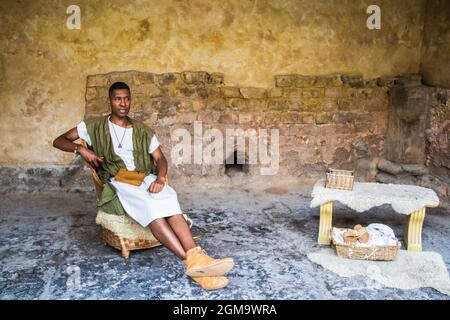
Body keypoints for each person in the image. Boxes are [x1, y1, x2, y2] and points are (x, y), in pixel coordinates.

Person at [53, 81, 234, 290]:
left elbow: (161, 159)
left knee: (170, 201)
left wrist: (159, 178)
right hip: (119, 179)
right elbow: (59, 140)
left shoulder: (142, 131)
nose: (123, 103)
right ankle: (193, 263)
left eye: (127, 98)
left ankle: (196, 259)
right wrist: (80, 149)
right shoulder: (93, 126)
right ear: (110, 101)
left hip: (144, 177)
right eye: (118, 99)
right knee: (152, 209)